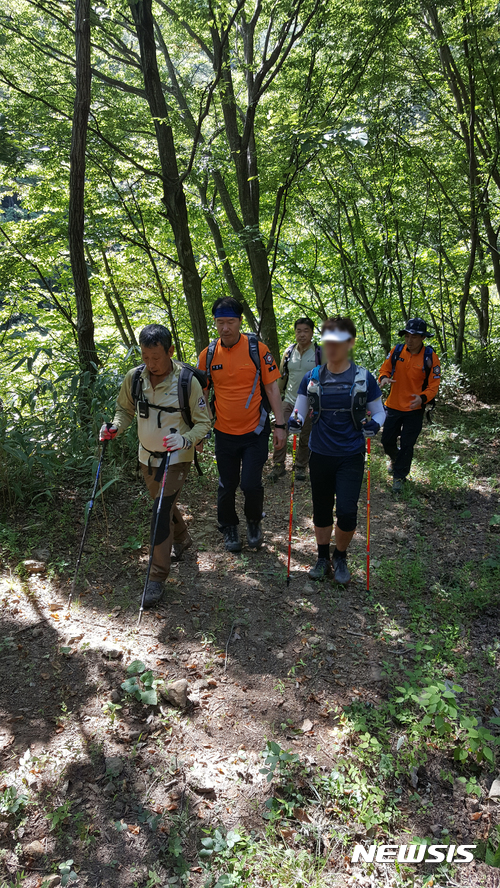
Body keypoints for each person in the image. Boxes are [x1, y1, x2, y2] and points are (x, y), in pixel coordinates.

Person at [100, 324, 211, 607]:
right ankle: (183, 538)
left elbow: (203, 423)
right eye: (145, 357)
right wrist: (114, 427)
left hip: (177, 459)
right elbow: (124, 411)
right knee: (164, 504)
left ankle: (156, 578)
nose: (151, 364)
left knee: (160, 511)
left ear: (170, 351)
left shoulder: (187, 381)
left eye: (156, 357)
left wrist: (185, 440)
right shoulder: (135, 378)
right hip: (146, 456)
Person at [290, 316, 385, 583]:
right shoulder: (312, 377)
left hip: (351, 454)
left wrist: (374, 425)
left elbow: (379, 412)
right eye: (327, 340)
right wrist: (295, 419)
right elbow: (300, 408)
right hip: (319, 453)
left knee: (346, 510)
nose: (332, 346)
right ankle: (322, 557)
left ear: (350, 343)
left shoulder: (364, 378)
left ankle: (340, 555)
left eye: (338, 341)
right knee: (321, 508)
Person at [198, 297, 286, 553]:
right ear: (215, 323)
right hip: (224, 432)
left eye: (231, 322)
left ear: (239, 322)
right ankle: (229, 526)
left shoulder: (257, 350)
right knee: (227, 483)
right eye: (220, 322)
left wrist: (280, 425)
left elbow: (271, 388)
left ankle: (254, 521)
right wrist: (201, 430)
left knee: (250, 483)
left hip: (255, 431)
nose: (225, 328)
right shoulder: (209, 355)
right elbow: (202, 395)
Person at [379, 318, 441, 492]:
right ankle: (395, 458)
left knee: (407, 444)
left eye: (414, 336)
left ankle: (399, 477)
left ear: (422, 338)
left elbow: (433, 385)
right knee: (386, 440)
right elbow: (384, 369)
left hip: (414, 409)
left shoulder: (430, 356)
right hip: (393, 405)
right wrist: (383, 378)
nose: (410, 340)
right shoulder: (397, 351)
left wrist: (422, 398)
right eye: (407, 335)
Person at [270, 317, 322, 482]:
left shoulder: (320, 353)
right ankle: (278, 466)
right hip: (289, 399)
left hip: (310, 402)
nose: (302, 334)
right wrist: (276, 400)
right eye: (298, 331)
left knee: (305, 436)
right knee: (280, 431)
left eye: (306, 331)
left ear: (312, 333)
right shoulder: (289, 352)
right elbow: (282, 377)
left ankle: (300, 466)